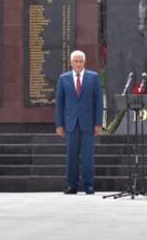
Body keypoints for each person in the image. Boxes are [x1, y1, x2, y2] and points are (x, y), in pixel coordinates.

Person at [55, 50, 103, 194]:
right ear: (71, 63)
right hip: (70, 124)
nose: (78, 64)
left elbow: (99, 102)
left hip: (88, 123)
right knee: (71, 156)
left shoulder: (93, 78)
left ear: (84, 62)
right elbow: (60, 104)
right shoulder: (63, 79)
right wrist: (59, 125)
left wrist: (98, 123)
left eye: (80, 61)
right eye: (75, 61)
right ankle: (72, 185)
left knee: (88, 156)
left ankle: (89, 185)